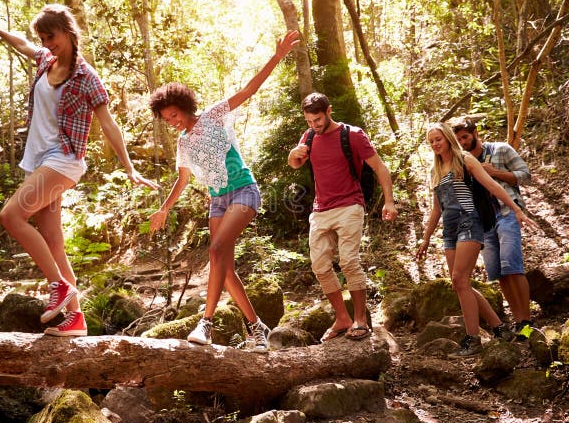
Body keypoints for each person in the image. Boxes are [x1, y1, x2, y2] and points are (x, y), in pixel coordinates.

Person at [0, 5, 158, 337]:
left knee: (11, 216)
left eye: (52, 36)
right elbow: (22, 44)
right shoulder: (45, 60)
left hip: (63, 161)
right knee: (54, 243)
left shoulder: (87, 77)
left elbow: (109, 124)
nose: (47, 43)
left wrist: (129, 167)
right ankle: (76, 319)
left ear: (68, 31)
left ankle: (58, 287)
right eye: (43, 38)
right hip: (41, 161)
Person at [148, 31, 300, 353]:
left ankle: (206, 322)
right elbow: (183, 179)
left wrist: (277, 56)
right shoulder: (183, 142)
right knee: (225, 269)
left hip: (243, 191)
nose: (172, 122)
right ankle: (256, 328)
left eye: (174, 115)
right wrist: (164, 208)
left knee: (216, 251)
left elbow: (249, 89)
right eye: (166, 119)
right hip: (217, 200)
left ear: (185, 106)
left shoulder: (216, 115)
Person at [415, 123, 538, 357]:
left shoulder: (465, 160)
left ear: (447, 137)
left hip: (469, 223)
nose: (435, 144)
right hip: (449, 229)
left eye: (438, 139)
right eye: (431, 141)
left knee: (460, 279)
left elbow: (492, 185)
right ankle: (499, 328)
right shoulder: (436, 169)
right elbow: (436, 209)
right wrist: (425, 238)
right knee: (460, 284)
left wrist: (517, 210)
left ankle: (473, 340)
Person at [287, 93, 398, 342]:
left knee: (348, 261)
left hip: (350, 204)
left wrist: (389, 201)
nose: (314, 125)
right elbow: (295, 163)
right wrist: (294, 154)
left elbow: (379, 167)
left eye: (317, 119)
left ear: (329, 110)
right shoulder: (310, 136)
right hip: (320, 209)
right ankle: (342, 318)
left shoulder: (353, 135)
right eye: (309, 121)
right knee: (320, 265)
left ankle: (360, 319)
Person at [452, 117, 534, 339]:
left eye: (465, 137)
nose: (462, 142)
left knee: (512, 265)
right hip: (483, 220)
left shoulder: (501, 149)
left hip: (506, 213)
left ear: (475, 133)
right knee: (498, 272)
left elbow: (526, 176)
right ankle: (518, 322)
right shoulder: (462, 161)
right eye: (458, 139)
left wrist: (494, 172)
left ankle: (526, 322)